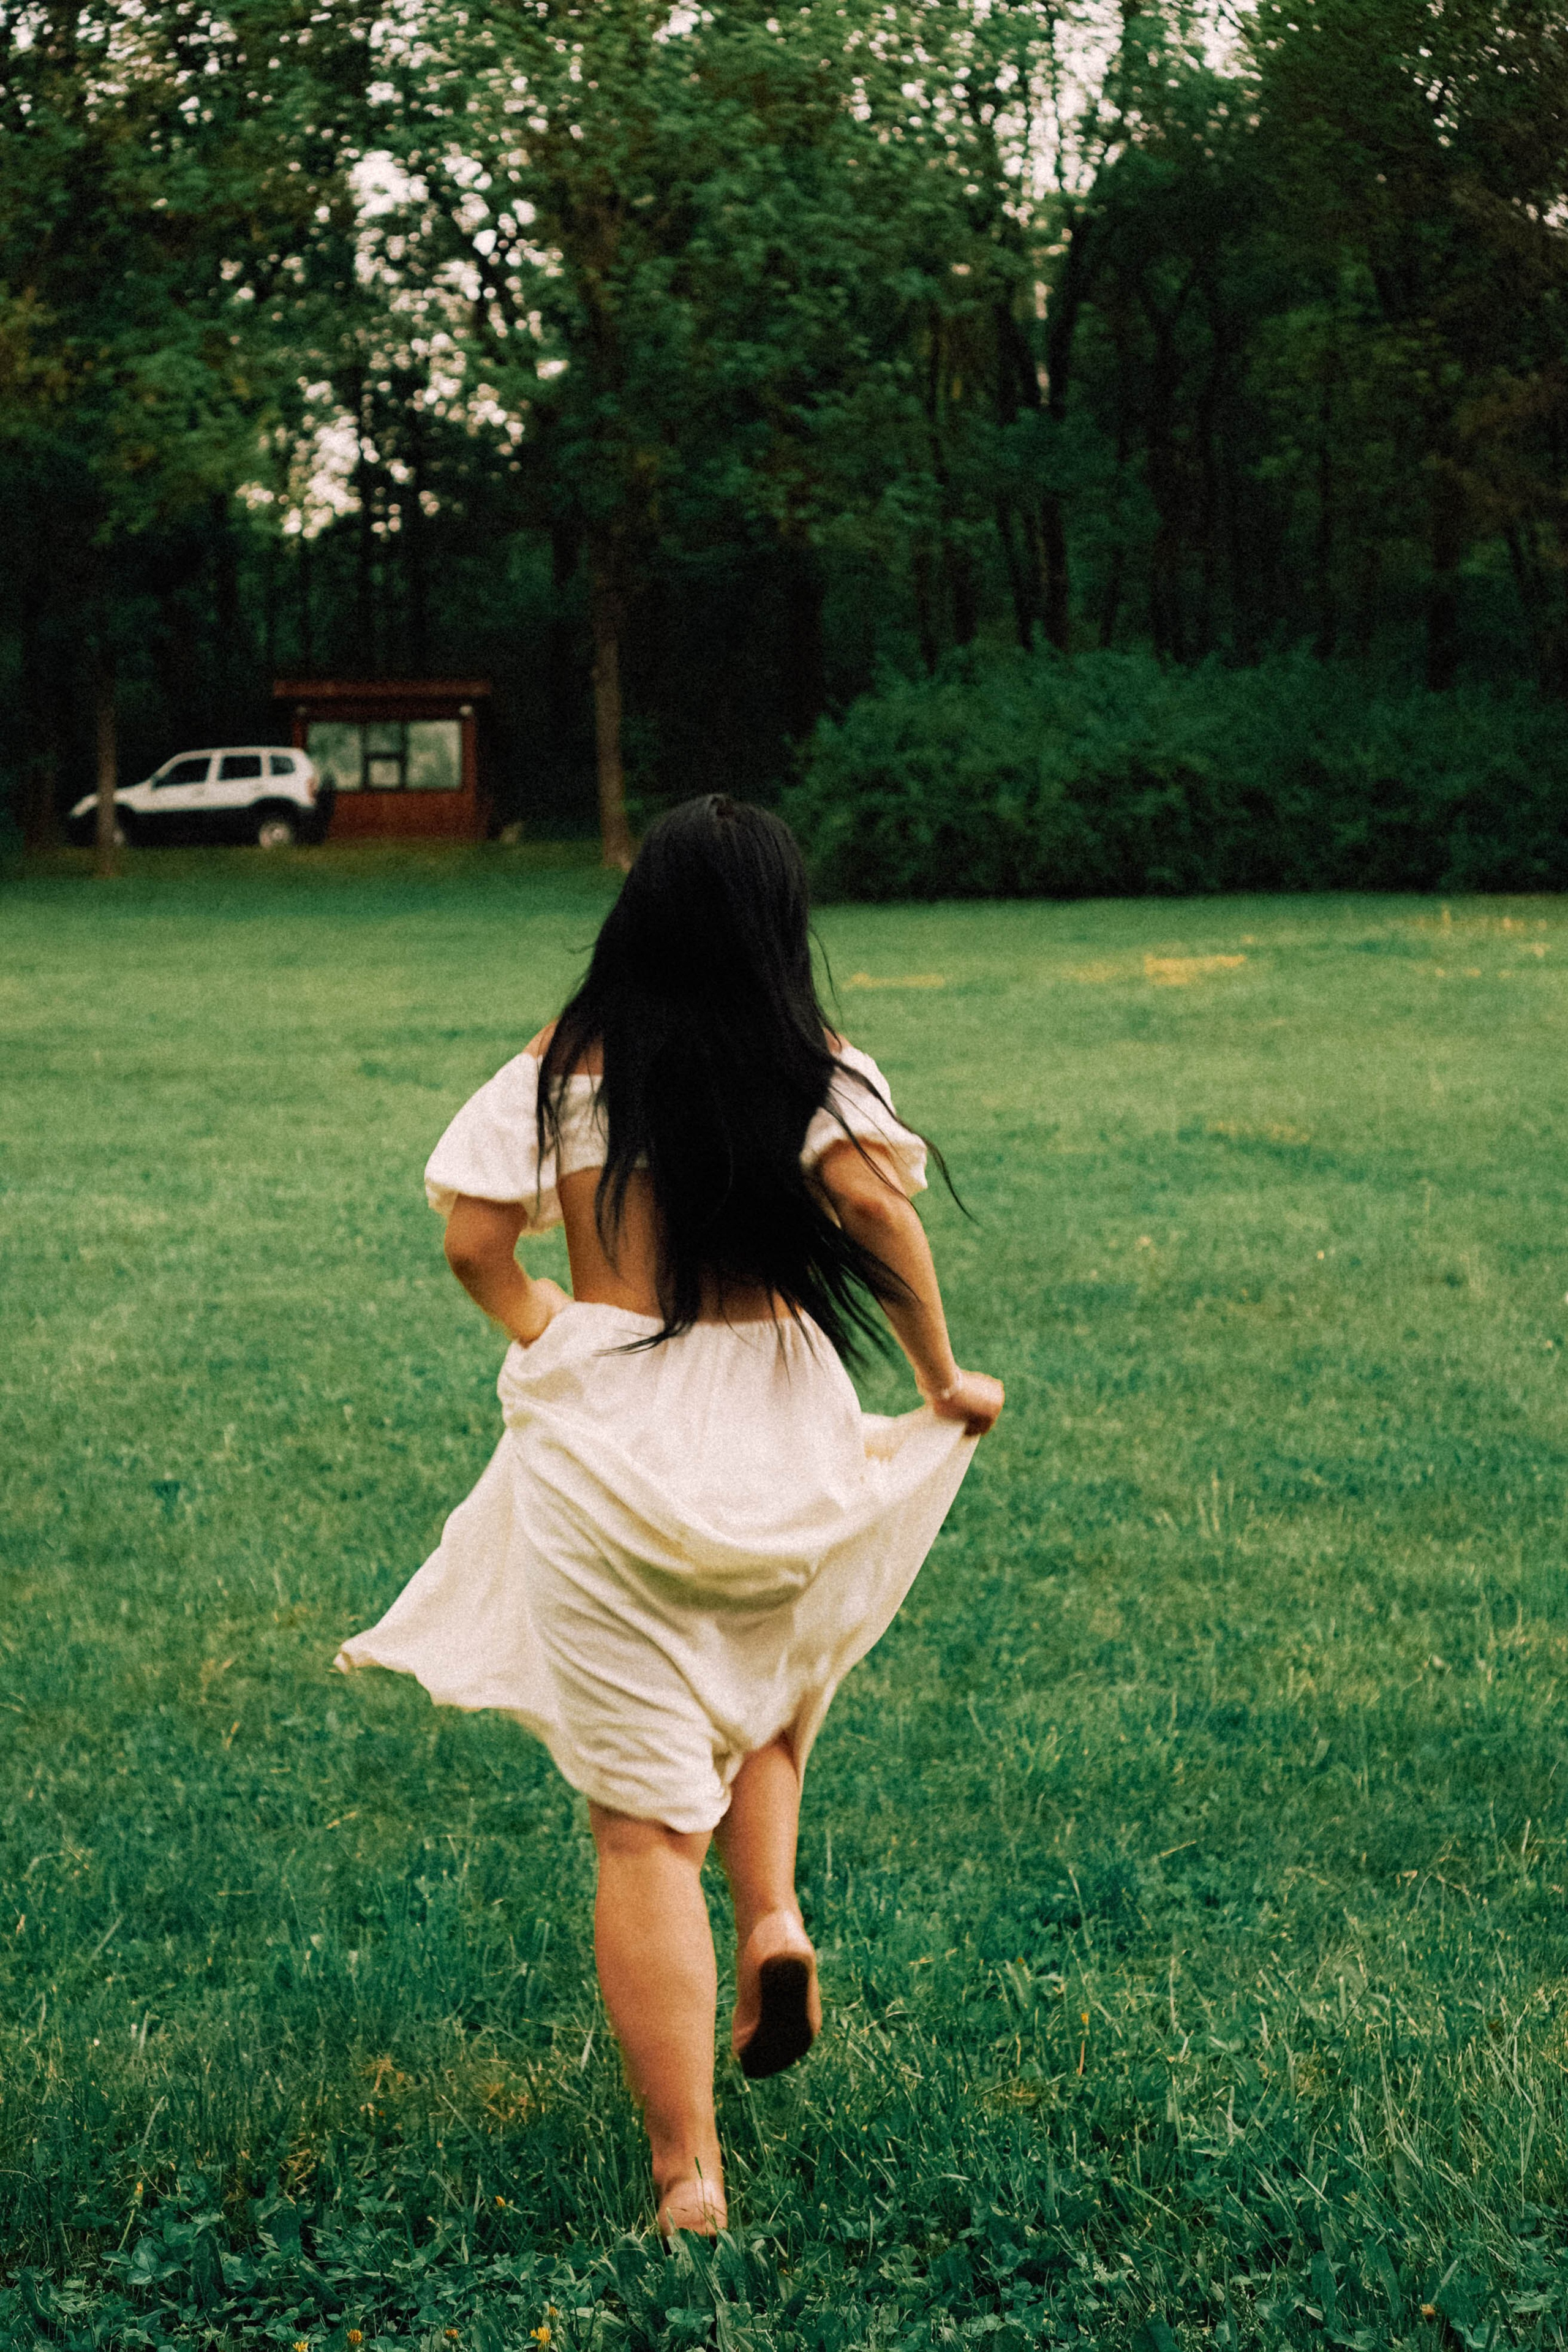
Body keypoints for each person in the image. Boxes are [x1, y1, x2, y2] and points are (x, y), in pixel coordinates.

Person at [334, 795, 1004, 2238]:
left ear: (637, 911)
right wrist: (942, 1380)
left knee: (640, 1832)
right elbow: (879, 1215)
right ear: (776, 926)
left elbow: (471, 1239)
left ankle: (686, 2173)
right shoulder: (813, 1064)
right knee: (769, 1678)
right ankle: (771, 1918)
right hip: (779, 1421)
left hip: (611, 1437)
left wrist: (542, 1323)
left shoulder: (561, 1062)